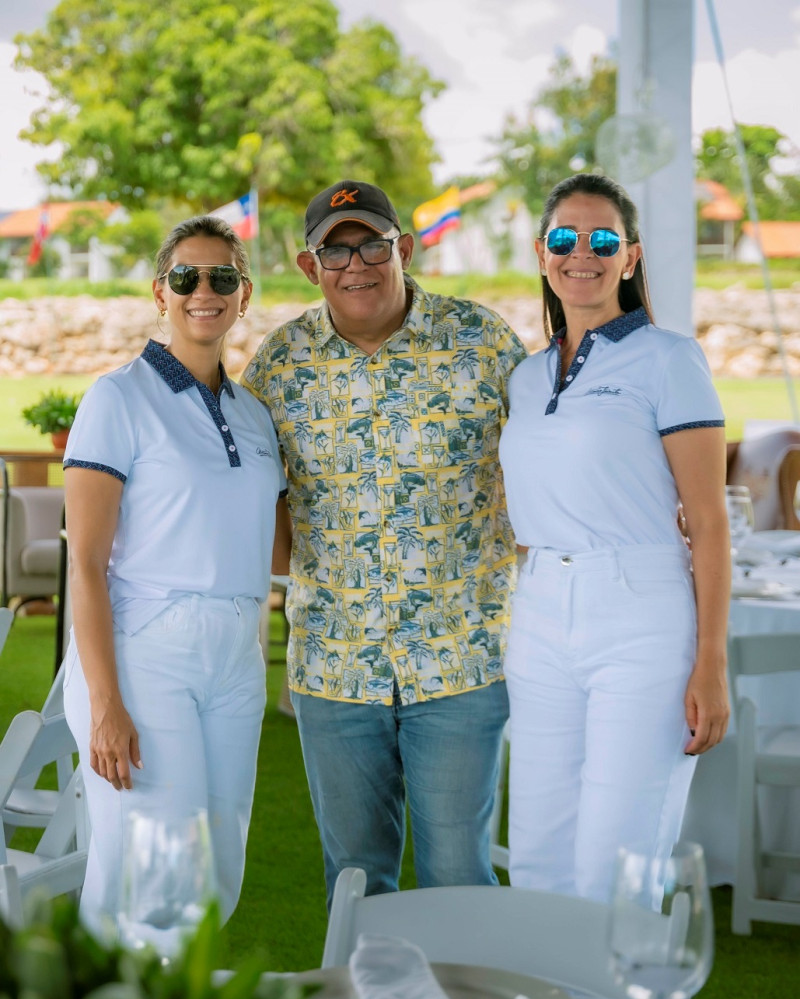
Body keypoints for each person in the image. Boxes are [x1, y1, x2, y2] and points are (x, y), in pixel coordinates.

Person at [242, 179, 528, 906]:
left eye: (370, 243)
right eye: (333, 251)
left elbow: (553, 463)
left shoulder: (484, 343)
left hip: (462, 660)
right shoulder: (278, 367)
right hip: (334, 667)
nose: (356, 264)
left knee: (457, 874)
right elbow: (247, 499)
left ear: (403, 246)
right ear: (310, 269)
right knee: (355, 880)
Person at [498, 173, 731, 902]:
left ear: (630, 257)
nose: (583, 255)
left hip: (641, 615)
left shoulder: (669, 358)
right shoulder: (528, 378)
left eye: (603, 240)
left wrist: (711, 662)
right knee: (536, 854)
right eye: (565, 239)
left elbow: (711, 522)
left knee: (617, 859)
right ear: (542, 253)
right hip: (538, 616)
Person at [62, 215, 286, 936]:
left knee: (217, 872)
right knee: (153, 873)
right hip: (146, 652)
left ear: (243, 294)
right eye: (187, 276)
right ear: (162, 291)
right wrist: (104, 702)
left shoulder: (254, 416)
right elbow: (86, 565)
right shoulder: (118, 398)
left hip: (235, 654)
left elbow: (274, 546)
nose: (204, 291)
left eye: (222, 277)